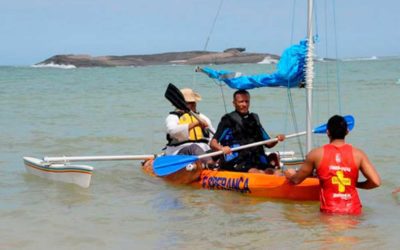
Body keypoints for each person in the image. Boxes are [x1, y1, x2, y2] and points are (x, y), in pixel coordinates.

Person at [284, 115, 381, 215]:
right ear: (347, 131)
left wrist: (290, 175)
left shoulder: (316, 154)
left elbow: (296, 180)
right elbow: (376, 182)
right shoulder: (358, 154)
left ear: (327, 132)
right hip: (354, 211)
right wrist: (355, 184)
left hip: (330, 211)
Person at [210, 89, 285, 173]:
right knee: (255, 172)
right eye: (241, 102)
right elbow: (213, 143)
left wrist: (277, 139)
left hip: (255, 160)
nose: (244, 104)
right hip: (237, 161)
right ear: (234, 103)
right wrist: (222, 148)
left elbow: (268, 143)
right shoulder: (227, 120)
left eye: (247, 101)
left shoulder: (254, 119)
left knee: (273, 172)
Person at [165, 88, 215, 163]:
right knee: (194, 148)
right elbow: (172, 131)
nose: (193, 105)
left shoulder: (203, 118)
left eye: (193, 102)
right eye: (189, 103)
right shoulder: (173, 117)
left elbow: (213, 138)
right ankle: (211, 165)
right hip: (180, 151)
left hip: (204, 152)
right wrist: (195, 124)